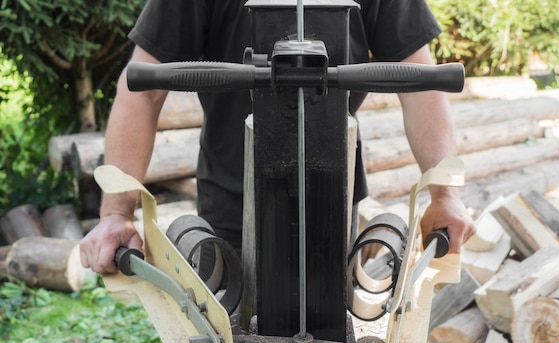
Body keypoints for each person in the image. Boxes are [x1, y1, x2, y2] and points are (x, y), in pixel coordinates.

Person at [79, 0, 476, 274]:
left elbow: (422, 82)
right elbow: (141, 89)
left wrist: (444, 196)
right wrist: (115, 213)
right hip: (231, 215)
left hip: (334, 208)